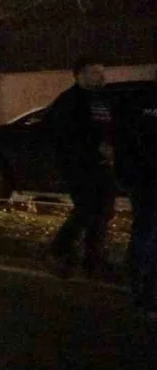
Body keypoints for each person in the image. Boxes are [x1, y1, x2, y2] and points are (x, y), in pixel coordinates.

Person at [48, 56, 116, 278]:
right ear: (80, 75)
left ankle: (93, 258)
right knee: (86, 210)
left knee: (103, 212)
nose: (101, 77)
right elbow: (64, 136)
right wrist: (95, 147)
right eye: (95, 72)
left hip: (103, 166)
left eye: (102, 72)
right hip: (79, 167)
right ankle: (60, 249)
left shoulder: (102, 99)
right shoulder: (69, 101)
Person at [115, 71, 157, 311]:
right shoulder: (142, 103)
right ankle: (140, 285)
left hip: (142, 180)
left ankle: (141, 281)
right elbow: (131, 144)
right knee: (147, 231)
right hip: (146, 181)